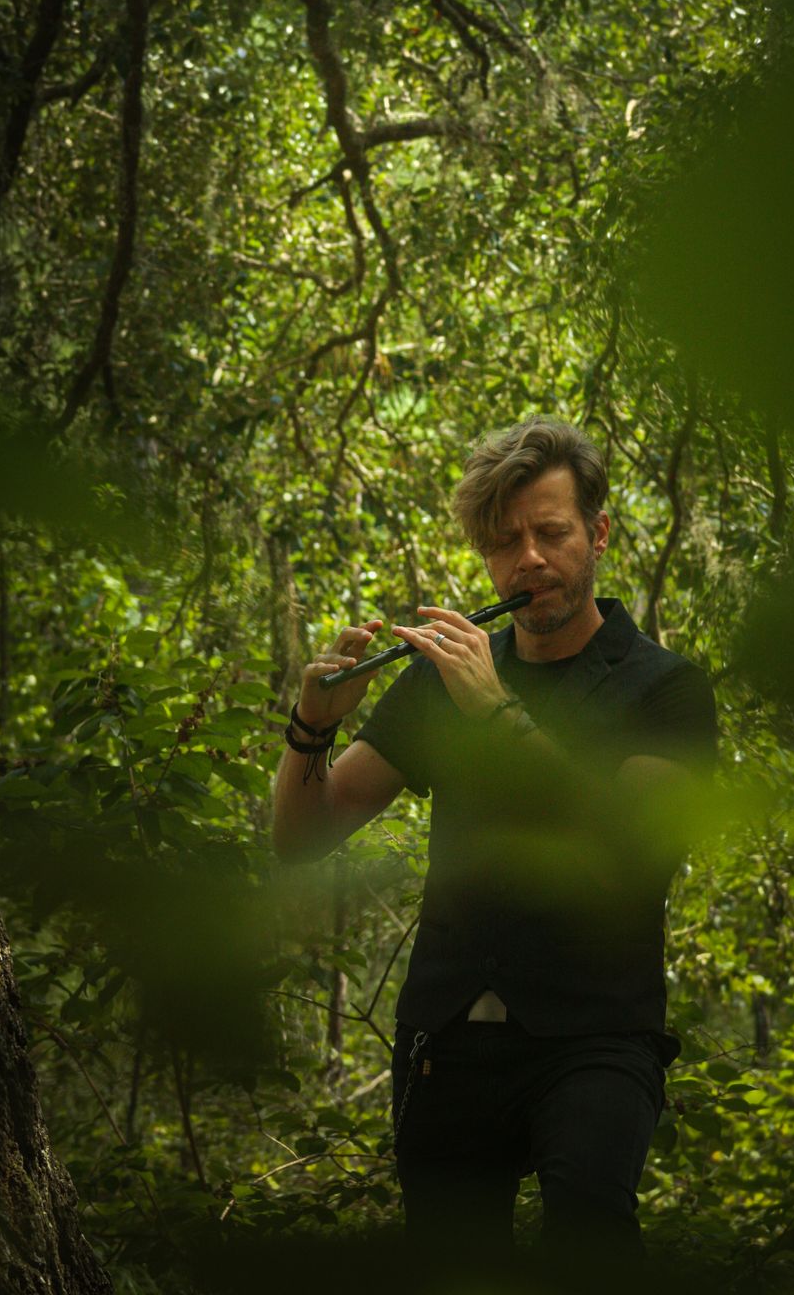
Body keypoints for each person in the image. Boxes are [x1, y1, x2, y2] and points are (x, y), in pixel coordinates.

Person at [273, 418, 717, 1275]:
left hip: (596, 1036)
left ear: (597, 533)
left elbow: (630, 858)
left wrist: (497, 713)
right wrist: (310, 727)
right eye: (504, 543)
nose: (529, 560)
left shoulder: (664, 689)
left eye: (550, 533)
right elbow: (303, 836)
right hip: (445, 1039)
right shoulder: (441, 679)